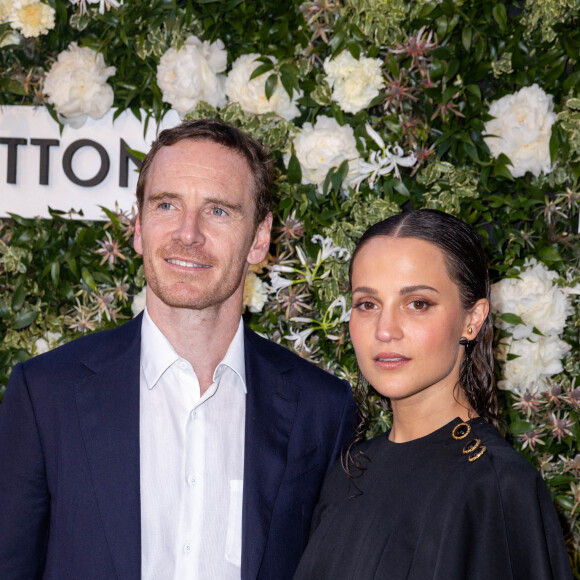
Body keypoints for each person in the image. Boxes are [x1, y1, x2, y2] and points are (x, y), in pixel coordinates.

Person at [0, 119, 356, 580]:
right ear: (138, 226)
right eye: (167, 205)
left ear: (260, 238)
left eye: (219, 211)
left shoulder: (322, 409)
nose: (188, 233)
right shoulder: (45, 394)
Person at [294, 209, 572, 579]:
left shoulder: (497, 488)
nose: (385, 330)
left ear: (472, 319)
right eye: (367, 304)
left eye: (417, 304)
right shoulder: (350, 471)